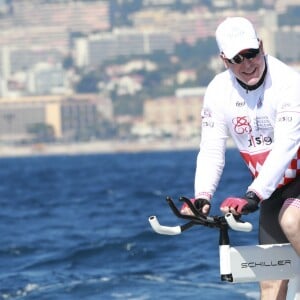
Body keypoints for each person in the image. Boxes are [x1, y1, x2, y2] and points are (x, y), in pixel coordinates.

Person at [181, 17, 300, 300]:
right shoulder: (217, 91)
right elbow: (211, 148)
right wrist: (202, 196)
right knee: (270, 287)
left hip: (281, 184)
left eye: (251, 54)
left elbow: (287, 144)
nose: (248, 64)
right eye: (237, 58)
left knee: (292, 220)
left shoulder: (288, 82)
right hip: (273, 189)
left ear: (261, 46)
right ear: (224, 60)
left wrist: (253, 194)